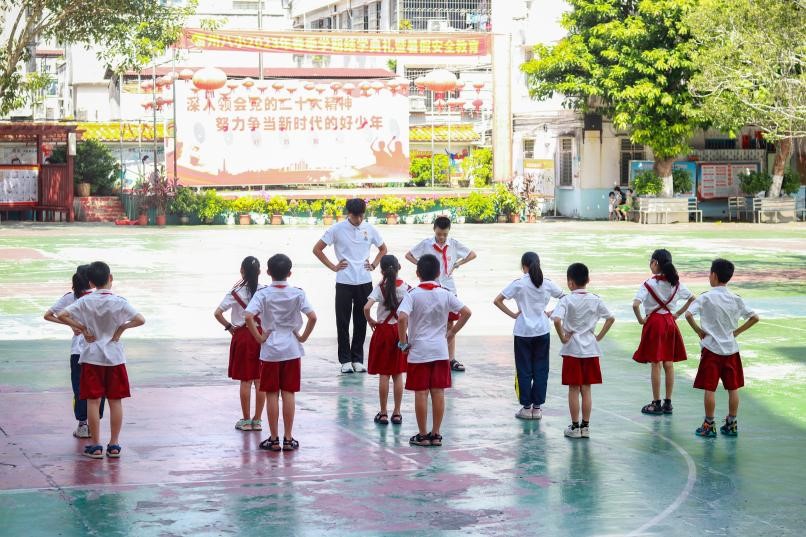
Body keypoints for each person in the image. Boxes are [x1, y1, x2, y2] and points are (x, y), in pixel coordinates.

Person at [57, 261, 145, 459]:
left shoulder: (85, 301)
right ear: (110, 278)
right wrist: (121, 328)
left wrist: (82, 328)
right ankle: (114, 445)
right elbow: (140, 319)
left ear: (91, 281)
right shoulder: (119, 301)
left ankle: (95, 446)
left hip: (92, 357)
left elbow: (62, 315)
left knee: (93, 401)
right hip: (114, 358)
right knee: (115, 401)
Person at [398, 254, 472, 447]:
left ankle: (422, 435)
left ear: (417, 273)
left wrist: (403, 342)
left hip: (419, 352)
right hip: (440, 351)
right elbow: (466, 312)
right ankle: (436, 434)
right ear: (439, 273)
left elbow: (402, 318)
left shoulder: (412, 294)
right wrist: (452, 332)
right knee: (438, 392)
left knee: (421, 393)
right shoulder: (446, 293)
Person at [245, 254, 317, 452]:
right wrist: (302, 337)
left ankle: (274, 439)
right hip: (292, 348)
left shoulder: (263, 294)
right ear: (289, 273)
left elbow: (248, 316)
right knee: (288, 393)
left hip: (270, 350)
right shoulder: (298, 293)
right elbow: (312, 317)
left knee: (271, 394)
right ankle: (288, 437)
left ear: (268, 273)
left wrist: (259, 337)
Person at [685, 259, 759, 438]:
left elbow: (688, 314)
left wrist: (698, 331)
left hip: (711, 350)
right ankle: (732, 423)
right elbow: (754, 317)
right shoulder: (736, 299)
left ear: (714, 275)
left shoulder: (706, 297)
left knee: (710, 389)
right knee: (733, 388)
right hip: (731, 351)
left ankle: (709, 424)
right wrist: (736, 332)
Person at [313, 198, 387, 374]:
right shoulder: (336, 229)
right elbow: (317, 249)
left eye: (362, 216)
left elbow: (383, 249)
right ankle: (345, 360)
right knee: (343, 321)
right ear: (348, 214)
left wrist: (374, 264)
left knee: (361, 320)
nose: (359, 220)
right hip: (344, 281)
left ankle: (358, 359)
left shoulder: (369, 228)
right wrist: (333, 266)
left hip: (364, 280)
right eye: (356, 217)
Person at [493, 252, 564, 420]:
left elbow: (497, 300)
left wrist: (513, 315)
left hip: (523, 331)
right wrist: (551, 312)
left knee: (524, 369)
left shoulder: (518, 284)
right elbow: (565, 298)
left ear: (523, 265)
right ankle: (537, 408)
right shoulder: (547, 283)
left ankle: (526, 408)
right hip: (542, 330)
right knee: (541, 368)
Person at [551, 263, 615, 439]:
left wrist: (563, 337)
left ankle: (574, 426)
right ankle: (586, 427)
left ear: (570, 282)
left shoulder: (566, 300)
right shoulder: (595, 299)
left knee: (573, 388)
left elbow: (556, 319)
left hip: (572, 349)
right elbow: (610, 318)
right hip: (590, 349)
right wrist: (599, 336)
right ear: (587, 280)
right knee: (586, 389)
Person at [405, 216, 476, 372]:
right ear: (434, 230)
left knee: (449, 323)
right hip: (429, 287)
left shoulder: (454, 244)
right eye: (439, 234)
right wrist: (422, 266)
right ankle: (431, 355)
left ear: (448, 231)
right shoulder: (426, 244)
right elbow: (408, 255)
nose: (441, 238)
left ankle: (451, 359)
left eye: (444, 234)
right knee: (429, 321)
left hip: (448, 288)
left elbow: (472, 254)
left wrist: (457, 264)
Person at [43, 265, 105, 438]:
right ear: (91, 280)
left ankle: (83, 425)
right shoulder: (99, 297)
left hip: (78, 350)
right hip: (99, 349)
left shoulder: (71, 297)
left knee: (80, 388)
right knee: (99, 389)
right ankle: (95, 425)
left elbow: (48, 315)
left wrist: (72, 325)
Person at [632, 249, 695, 415]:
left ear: (655, 263)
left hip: (654, 323)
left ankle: (656, 402)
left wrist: (640, 319)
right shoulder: (676, 283)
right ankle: (668, 402)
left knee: (656, 363)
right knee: (669, 363)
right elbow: (692, 299)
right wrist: (678, 314)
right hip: (670, 322)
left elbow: (635, 304)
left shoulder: (648, 283)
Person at [214, 256, 266, 432]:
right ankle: (257, 420)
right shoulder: (264, 291)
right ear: (259, 272)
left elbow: (218, 313)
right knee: (260, 380)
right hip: (260, 336)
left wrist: (229, 327)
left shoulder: (235, 292)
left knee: (246, 380)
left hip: (242, 336)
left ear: (242, 271)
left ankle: (245, 420)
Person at [363, 254, 410, 426]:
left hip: (382, 331)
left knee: (384, 374)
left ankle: (383, 413)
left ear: (381, 271)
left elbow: (366, 307)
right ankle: (397, 413)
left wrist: (370, 320)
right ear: (399, 268)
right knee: (398, 374)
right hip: (399, 331)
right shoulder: (407, 288)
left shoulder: (379, 288)